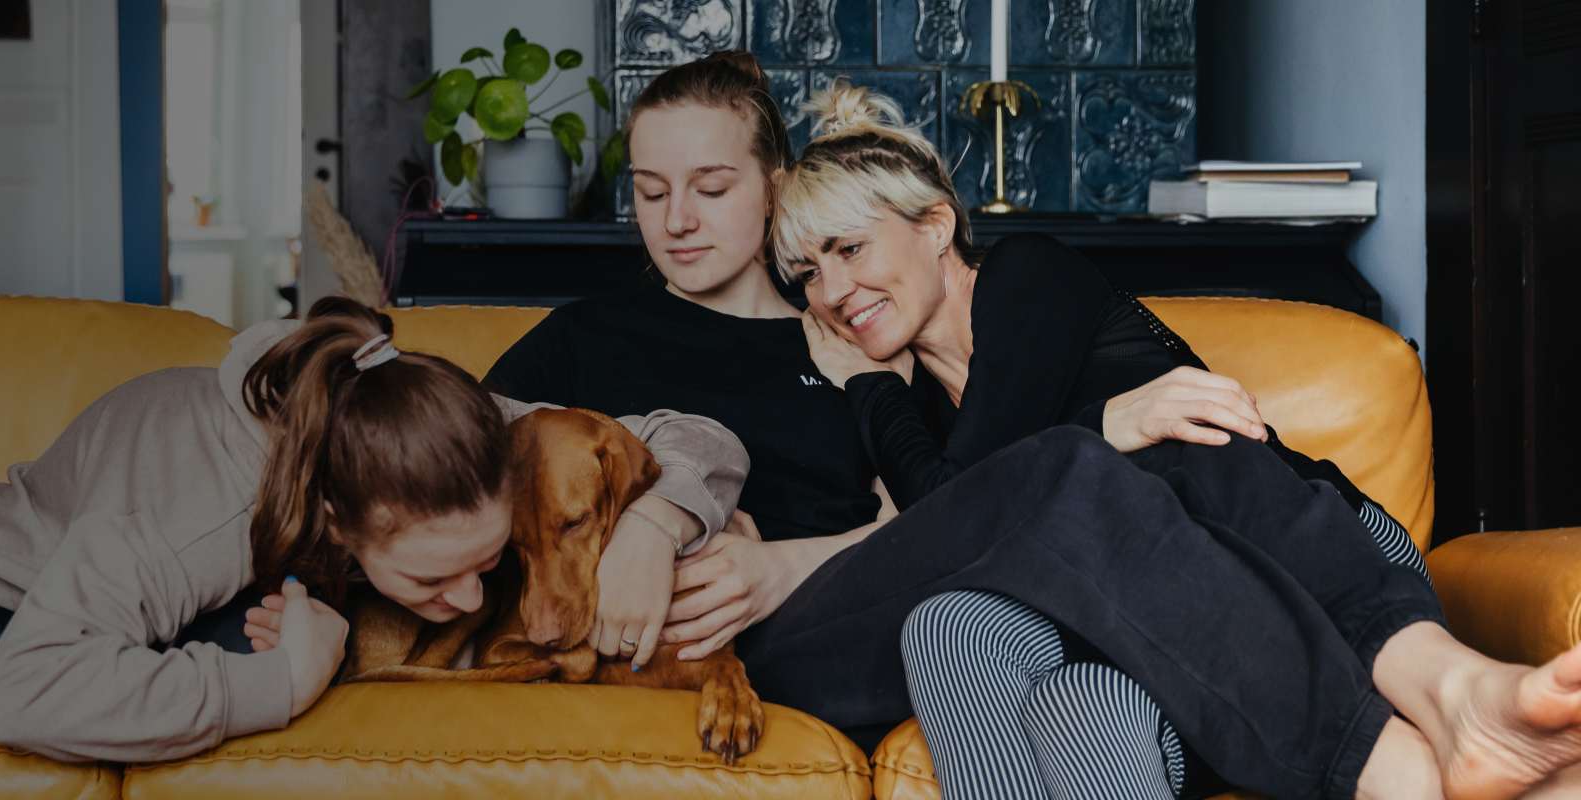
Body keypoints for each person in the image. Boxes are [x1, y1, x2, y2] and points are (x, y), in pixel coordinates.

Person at [481, 51, 1421, 796]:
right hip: (802, 641)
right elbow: (456, 447)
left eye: (712, 188)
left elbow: (936, 520)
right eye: (649, 191)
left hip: (1007, 582)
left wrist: (780, 558)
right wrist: (645, 521)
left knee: (1025, 652)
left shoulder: (874, 350)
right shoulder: (592, 336)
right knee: (982, 619)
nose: (677, 220)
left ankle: (1403, 718)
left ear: (773, 184)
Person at [770, 79, 1581, 798]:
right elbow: (960, 519)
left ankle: (1439, 698)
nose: (832, 291)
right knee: (961, 631)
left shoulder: (1025, 278)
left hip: (1309, 555)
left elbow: (983, 494)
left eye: (849, 248)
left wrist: (1109, 431)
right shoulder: (908, 408)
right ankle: (1428, 748)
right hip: (1154, 613)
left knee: (1170, 446)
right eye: (807, 272)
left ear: (937, 225)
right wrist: (889, 391)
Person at [0, 296, 748, 763]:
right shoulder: (206, 520)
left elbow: (689, 436)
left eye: (486, 566)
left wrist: (654, 521)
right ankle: (88, 669)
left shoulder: (432, 427)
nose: (473, 603)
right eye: (445, 577)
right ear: (346, 514)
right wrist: (275, 685)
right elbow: (13, 700)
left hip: (166, 598)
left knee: (242, 623)